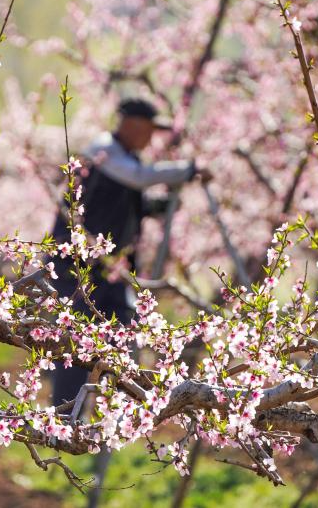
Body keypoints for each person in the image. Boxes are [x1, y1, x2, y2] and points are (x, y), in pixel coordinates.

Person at [48, 97, 208, 410]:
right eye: (149, 130)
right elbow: (137, 177)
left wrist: (152, 208)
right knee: (77, 344)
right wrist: (187, 170)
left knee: (120, 330)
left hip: (106, 268)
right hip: (77, 267)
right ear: (133, 126)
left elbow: (117, 204)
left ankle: (113, 417)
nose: (151, 139)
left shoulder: (124, 158)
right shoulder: (104, 150)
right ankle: (65, 419)